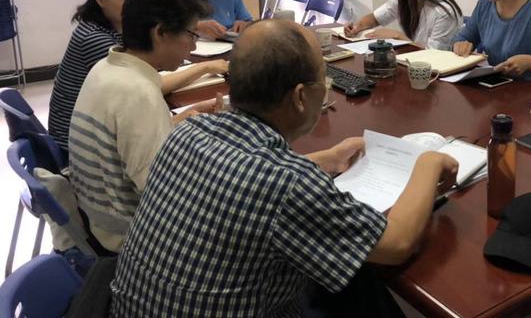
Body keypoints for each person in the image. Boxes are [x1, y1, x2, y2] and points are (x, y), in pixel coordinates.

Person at [110, 20, 459, 317]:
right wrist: (427, 162)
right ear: (300, 97)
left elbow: (244, 177)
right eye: (323, 80)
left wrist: (325, 159)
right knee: (358, 282)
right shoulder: (288, 185)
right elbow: (396, 243)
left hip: (132, 308)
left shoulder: (188, 131)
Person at [69, 0, 221, 253]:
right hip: (128, 239)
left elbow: (124, 145)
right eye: (191, 35)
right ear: (160, 33)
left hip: (97, 220)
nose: (193, 47)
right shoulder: (138, 94)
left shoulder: (105, 68)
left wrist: (175, 121)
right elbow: (163, 194)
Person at [48, 0, 228, 156]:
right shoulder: (97, 42)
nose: (142, 4)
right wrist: (205, 67)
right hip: (68, 149)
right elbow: (149, 169)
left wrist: (180, 119)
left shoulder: (111, 52)